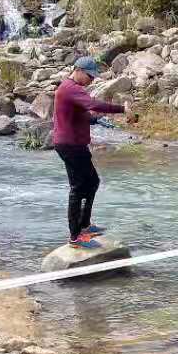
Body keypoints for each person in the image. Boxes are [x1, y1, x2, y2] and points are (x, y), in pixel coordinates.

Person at [51, 56, 126, 249]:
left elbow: (81, 113)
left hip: (73, 144)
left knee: (92, 182)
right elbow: (93, 104)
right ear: (78, 70)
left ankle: (85, 225)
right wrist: (122, 109)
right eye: (90, 76)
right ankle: (75, 237)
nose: (91, 80)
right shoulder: (71, 88)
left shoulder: (70, 89)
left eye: (93, 77)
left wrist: (96, 119)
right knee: (78, 188)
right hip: (71, 146)